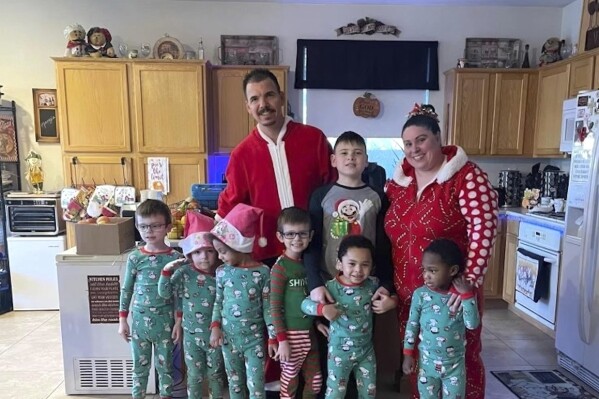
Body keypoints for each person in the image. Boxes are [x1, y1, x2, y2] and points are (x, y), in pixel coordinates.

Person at [384, 103, 498, 398]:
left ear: (438, 137)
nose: (414, 149)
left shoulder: (465, 177)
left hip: (452, 300)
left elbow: (484, 226)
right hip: (411, 297)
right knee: (420, 363)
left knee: (461, 362)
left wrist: (467, 285)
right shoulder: (397, 185)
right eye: (408, 143)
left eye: (421, 139)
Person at [216, 68, 336, 267]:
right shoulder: (241, 154)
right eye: (254, 99)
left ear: (280, 97)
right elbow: (231, 205)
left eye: (269, 95)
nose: (263, 105)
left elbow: (333, 188)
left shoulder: (314, 139)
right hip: (267, 255)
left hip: (316, 249)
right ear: (247, 106)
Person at [302, 235, 397, 399]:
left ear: (372, 267)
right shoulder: (331, 287)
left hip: (366, 352)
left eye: (365, 265)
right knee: (335, 393)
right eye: (352, 264)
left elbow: (393, 295)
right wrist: (322, 309)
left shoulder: (372, 285)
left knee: (368, 393)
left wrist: (392, 302)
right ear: (339, 264)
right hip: (339, 353)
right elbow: (304, 304)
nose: (358, 270)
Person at [118, 199, 183, 399]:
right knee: (139, 369)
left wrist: (178, 322)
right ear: (137, 226)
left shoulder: (175, 257)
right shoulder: (135, 258)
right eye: (143, 226)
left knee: (166, 370)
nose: (149, 231)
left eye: (155, 226)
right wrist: (122, 321)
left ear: (167, 228)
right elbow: (126, 289)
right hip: (139, 323)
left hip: (166, 323)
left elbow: (179, 294)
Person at [209, 203, 275, 399]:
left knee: (256, 386)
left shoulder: (262, 272)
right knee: (234, 384)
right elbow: (218, 302)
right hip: (228, 340)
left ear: (239, 246)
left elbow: (268, 308)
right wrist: (215, 326)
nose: (219, 257)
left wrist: (272, 337)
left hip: (254, 341)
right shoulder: (222, 272)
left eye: (222, 251)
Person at [158, 212, 226, 399]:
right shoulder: (185, 272)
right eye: (197, 252)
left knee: (216, 375)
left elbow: (225, 304)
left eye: (209, 251)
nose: (203, 257)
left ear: (217, 252)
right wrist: (166, 272)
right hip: (191, 336)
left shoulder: (222, 273)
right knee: (195, 377)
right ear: (189, 254)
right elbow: (166, 294)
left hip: (216, 336)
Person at [402, 239, 480, 399]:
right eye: (424, 270)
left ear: (452, 270)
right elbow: (412, 325)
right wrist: (407, 355)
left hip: (455, 367)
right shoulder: (420, 295)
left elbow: (472, 325)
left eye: (433, 270)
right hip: (426, 365)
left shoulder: (461, 296)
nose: (426, 276)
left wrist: (467, 296)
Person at [270, 207, 323, 399]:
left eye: (302, 234)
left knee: (315, 380)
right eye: (290, 234)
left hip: (310, 334)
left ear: (311, 236)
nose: (297, 239)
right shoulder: (280, 268)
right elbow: (274, 307)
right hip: (290, 337)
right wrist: (281, 341)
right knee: (290, 381)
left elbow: (308, 299)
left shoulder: (308, 267)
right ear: (280, 236)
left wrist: (317, 323)